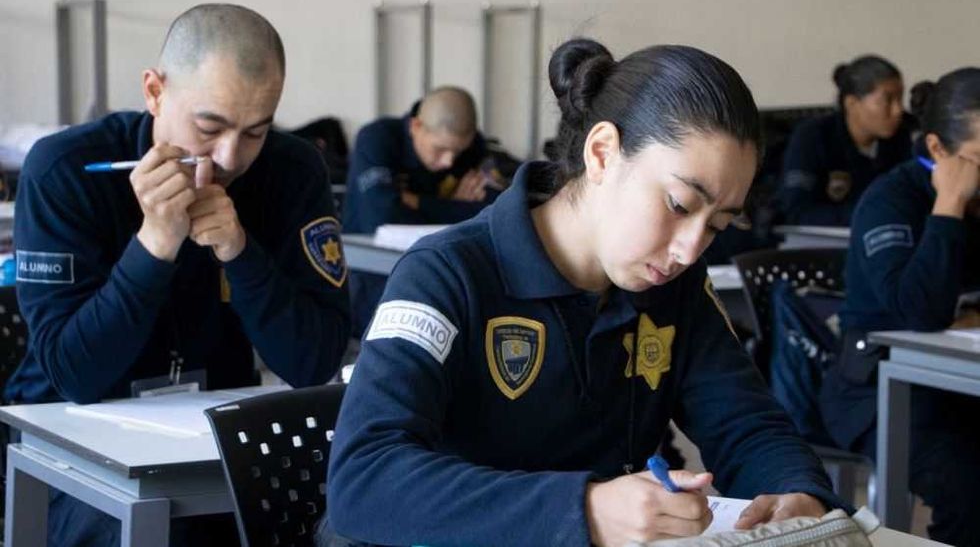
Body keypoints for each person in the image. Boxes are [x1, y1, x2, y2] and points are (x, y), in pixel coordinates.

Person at [327, 38, 846, 547]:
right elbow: (364, 480)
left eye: (718, 225)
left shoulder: (674, 286)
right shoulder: (446, 273)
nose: (690, 249)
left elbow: (745, 423)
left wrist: (796, 493)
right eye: (681, 206)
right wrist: (586, 510)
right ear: (602, 153)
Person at [7, 4, 351, 546]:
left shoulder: (292, 169)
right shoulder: (65, 170)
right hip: (67, 452)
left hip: (211, 448)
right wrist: (154, 246)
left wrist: (240, 252)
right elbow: (74, 375)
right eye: (208, 127)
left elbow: (315, 361)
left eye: (256, 131)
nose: (229, 157)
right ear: (154, 92)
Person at [820, 68, 980, 547]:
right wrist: (949, 202)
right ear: (938, 150)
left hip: (958, 386)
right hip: (880, 390)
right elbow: (920, 312)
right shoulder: (890, 201)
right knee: (970, 485)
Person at [344, 87, 502, 336]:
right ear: (416, 126)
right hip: (372, 277)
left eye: (457, 152)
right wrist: (457, 206)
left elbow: (493, 212)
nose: (449, 161)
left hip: (441, 273)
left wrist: (417, 202)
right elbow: (381, 218)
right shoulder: (377, 139)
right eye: (440, 150)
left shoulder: (474, 147)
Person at [778, 55, 912, 226]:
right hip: (821, 246)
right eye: (888, 101)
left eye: (900, 99)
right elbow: (796, 211)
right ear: (852, 104)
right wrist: (871, 215)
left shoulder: (904, 137)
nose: (898, 110)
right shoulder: (813, 137)